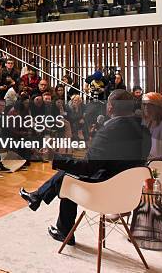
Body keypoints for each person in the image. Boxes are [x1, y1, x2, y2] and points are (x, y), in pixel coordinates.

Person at [19, 90, 150, 245]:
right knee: (69, 174)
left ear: (109, 108)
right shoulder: (144, 130)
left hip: (104, 192)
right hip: (129, 193)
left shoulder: (108, 132)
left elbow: (88, 168)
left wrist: (55, 157)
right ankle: (38, 197)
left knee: (68, 177)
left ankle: (61, 226)